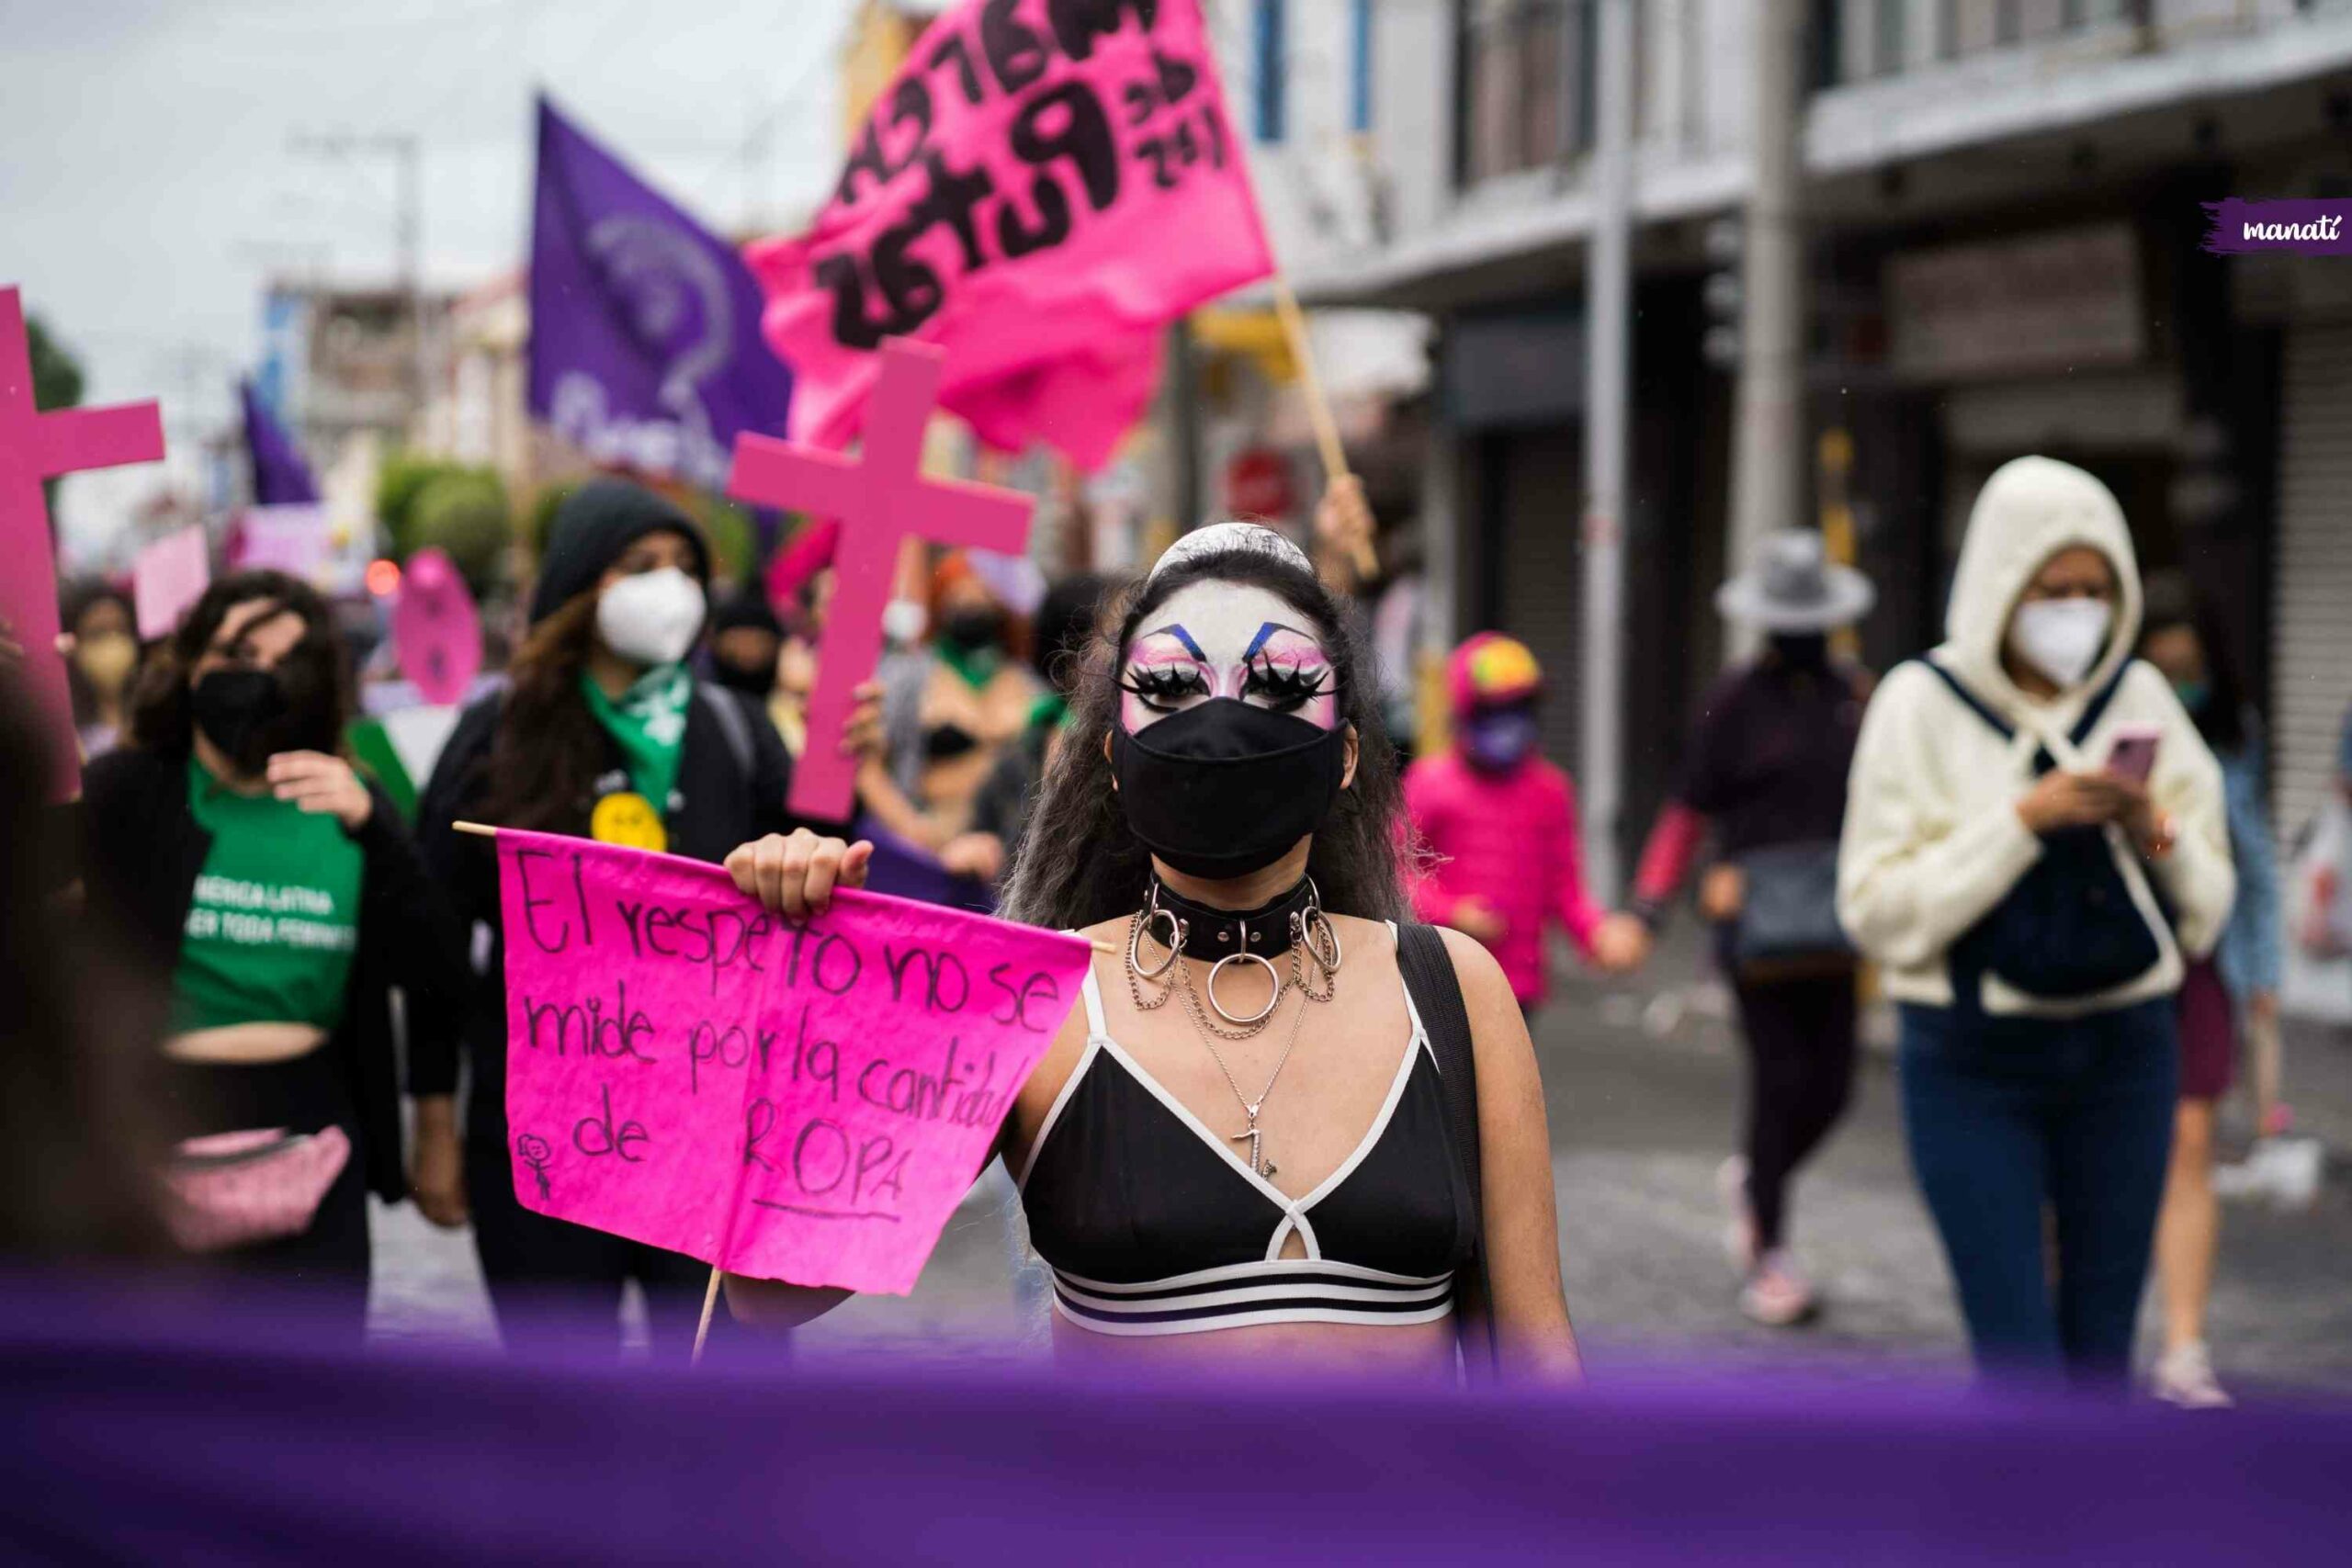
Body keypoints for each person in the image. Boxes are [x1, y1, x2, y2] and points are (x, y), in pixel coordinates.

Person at [725, 522, 1583, 1380]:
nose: (1221, 717)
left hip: (1408, 1516)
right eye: (1171, 685)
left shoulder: (1454, 989)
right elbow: (769, 1290)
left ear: (1349, 753)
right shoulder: (1035, 1000)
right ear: (1112, 752)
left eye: (1279, 684)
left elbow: (1542, 1363)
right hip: (1123, 1518)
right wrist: (802, 985)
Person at [413, 479, 871, 1357]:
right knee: (558, 1412)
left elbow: (822, 897)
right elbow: (437, 942)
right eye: (641, 565)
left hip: (713, 1133)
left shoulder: (736, 730)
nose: (671, 585)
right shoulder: (496, 733)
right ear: (582, 583)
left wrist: (835, 787)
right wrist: (433, 1120)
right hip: (538, 1136)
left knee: (726, 1403)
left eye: (685, 567)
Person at [1838, 456, 2235, 1388]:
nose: (2074, 611)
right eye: (2049, 589)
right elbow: (1876, 913)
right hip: (1972, 1063)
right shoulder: (1917, 706)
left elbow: (2209, 906)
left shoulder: (2137, 701)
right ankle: (2017, 1531)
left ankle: (2090, 1534)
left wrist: (2149, 828)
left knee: (2100, 1355)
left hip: (2125, 1050)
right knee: (2015, 1358)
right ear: (1997, 585)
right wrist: (2023, 821)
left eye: (2095, 589)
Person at [78, 570, 462, 1339]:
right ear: (190, 663)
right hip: (156, 1128)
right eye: (239, 649)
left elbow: (436, 971)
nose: (261, 675)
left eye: (290, 660)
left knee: (311, 1406)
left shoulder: (349, 795)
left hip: (312, 1138)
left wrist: (377, 834)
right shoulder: (127, 788)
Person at [1606, 532, 1876, 1328]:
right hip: (1754, 927)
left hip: (1838, 922)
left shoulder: (1857, 697)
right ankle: (1771, 1253)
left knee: (1834, 1088)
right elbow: (1687, 812)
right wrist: (1655, 906)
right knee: (1780, 1080)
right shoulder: (1733, 700)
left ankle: (1759, 1179)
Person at [2135, 578, 2283, 1408]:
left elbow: (2248, 859)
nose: (2179, 680)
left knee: (2189, 1145)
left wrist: (2263, 974)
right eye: (2164, 667)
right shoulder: (2105, 724)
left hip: (2200, 959)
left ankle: (2183, 1343)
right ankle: (2058, 1350)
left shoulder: (2233, 737)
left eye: (2190, 666)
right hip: (2111, 958)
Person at [1402, 632, 1642, 1018]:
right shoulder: (1428, 784)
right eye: (1495, 709)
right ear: (1466, 710)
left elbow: (1564, 888)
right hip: (1440, 976)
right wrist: (1450, 912)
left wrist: (1598, 934)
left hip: (1517, 986)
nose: (1509, 722)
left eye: (1519, 707)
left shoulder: (1551, 792)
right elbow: (1393, 872)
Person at [934, 570, 1116, 885]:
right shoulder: (1024, 750)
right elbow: (979, 837)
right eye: (1115, 635)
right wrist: (968, 851)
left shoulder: (1142, 749)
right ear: (1072, 654)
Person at [869, 552, 1039, 845]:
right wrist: (914, 831)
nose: (971, 606)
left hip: (1006, 853)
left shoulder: (1027, 685)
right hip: (923, 842)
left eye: (982, 596)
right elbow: (869, 766)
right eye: (958, 597)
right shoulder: (908, 677)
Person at [59, 579, 140, 760]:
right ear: (74, 647)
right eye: (97, 634)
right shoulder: (65, 733)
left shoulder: (155, 722)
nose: (113, 643)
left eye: (121, 630)